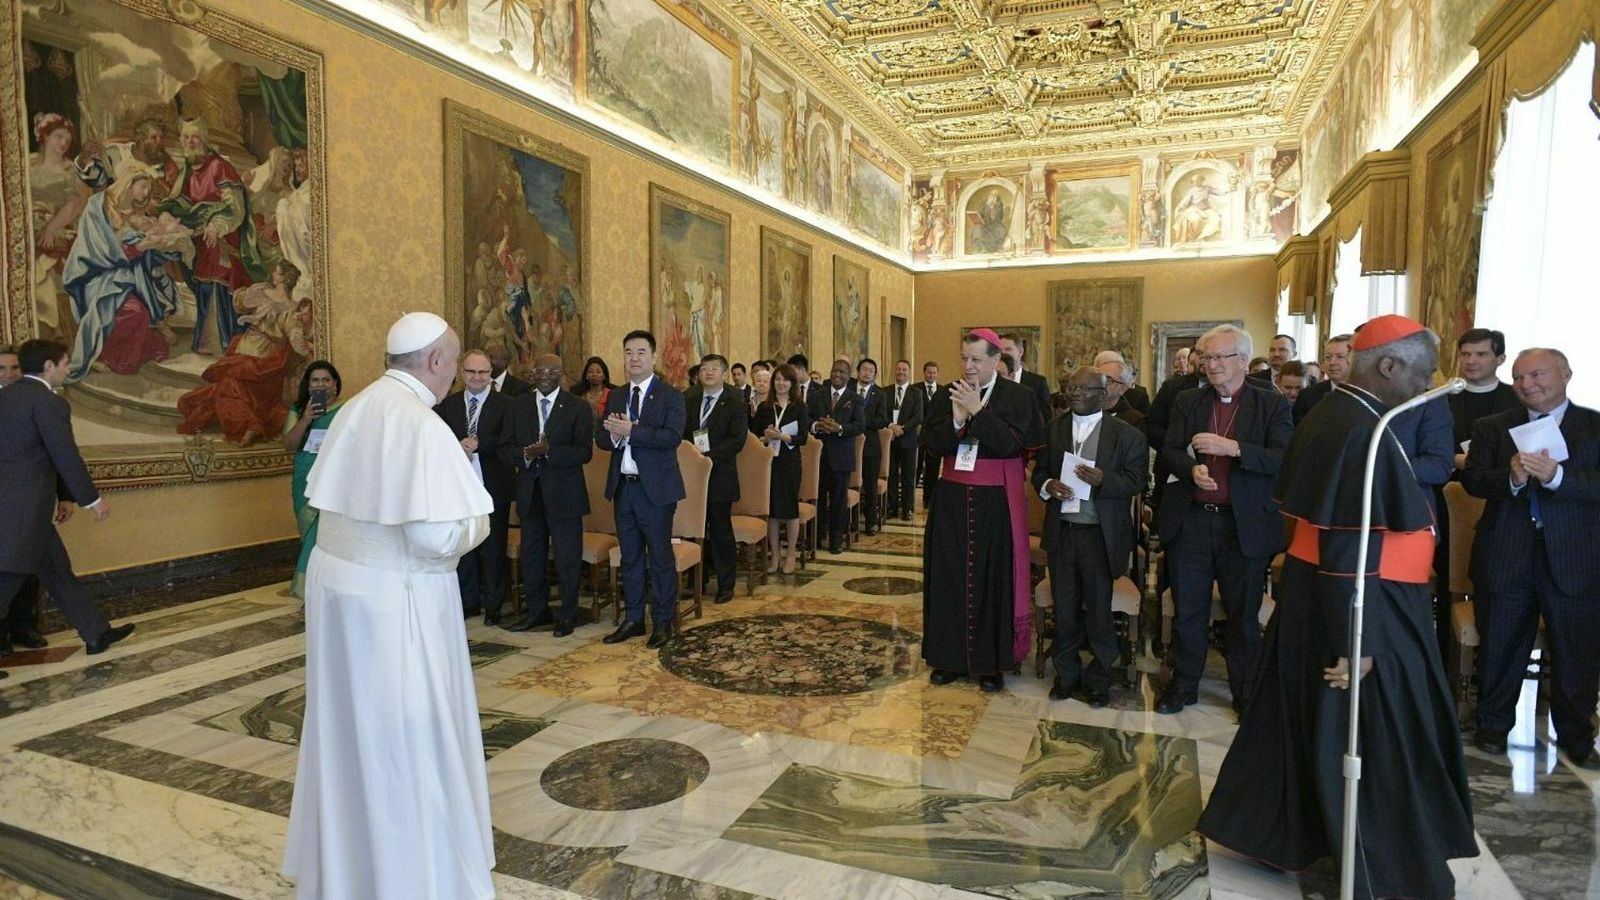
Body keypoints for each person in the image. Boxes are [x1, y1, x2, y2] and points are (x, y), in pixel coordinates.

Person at [1199, 315, 1477, 899]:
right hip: (1364, 603)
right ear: (1390, 365)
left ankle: (1288, 838)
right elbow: (1349, 544)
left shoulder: (1345, 413)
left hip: (1338, 595)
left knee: (1310, 722)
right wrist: (1361, 642)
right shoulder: (1358, 428)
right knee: (1372, 732)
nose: (1429, 384)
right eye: (1424, 373)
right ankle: (1380, 864)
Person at [283, 312, 495, 899]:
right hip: (393, 603)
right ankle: (412, 875)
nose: (455, 375)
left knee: (349, 730)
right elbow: (434, 536)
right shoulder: (421, 424)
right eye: (454, 362)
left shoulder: (354, 409)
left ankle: (349, 870)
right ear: (436, 361)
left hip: (339, 590)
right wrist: (477, 521)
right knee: (404, 734)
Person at [1463, 348, 1600, 769]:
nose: (1527, 384)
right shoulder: (1492, 427)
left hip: (1575, 557)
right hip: (1508, 553)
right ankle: (1492, 728)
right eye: (1519, 377)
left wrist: (1557, 477)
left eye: (1537, 375)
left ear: (1566, 374)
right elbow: (1473, 480)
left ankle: (1576, 737)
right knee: (1501, 645)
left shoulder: (1594, 426)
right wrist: (1512, 478)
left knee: (1577, 652)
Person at [1156, 325, 1292, 715]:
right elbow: (1169, 450)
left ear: (1243, 361)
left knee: (1242, 615)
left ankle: (1244, 692)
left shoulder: (1272, 404)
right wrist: (1190, 470)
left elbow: (1284, 459)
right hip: (1193, 521)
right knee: (1189, 610)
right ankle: (1183, 686)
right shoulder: (1188, 400)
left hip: (1242, 526)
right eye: (1206, 357)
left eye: (1219, 357)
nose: (1211, 365)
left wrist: (1234, 448)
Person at [0, 339, 136, 672]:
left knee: (57, 570)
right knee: (6, 580)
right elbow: (65, 455)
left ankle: (96, 633)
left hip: (20, 508)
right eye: (65, 363)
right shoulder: (48, 402)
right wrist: (92, 500)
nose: (68, 369)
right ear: (48, 366)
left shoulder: (6, 397)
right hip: (23, 509)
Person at [921, 329, 1045, 692]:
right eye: (964, 358)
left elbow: (1012, 445)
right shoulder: (948, 393)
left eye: (976, 359)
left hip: (996, 503)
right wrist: (957, 421)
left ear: (995, 360)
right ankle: (948, 658)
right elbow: (930, 445)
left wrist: (978, 412)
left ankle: (991, 663)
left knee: (994, 579)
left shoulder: (1018, 396)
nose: (969, 366)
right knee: (949, 577)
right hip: (951, 501)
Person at [1034, 368, 1148, 706]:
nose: (1075, 393)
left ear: (1103, 393)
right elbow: (1040, 471)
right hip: (1063, 533)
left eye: (1084, 388)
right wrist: (1048, 485)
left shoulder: (1126, 434)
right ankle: (1066, 676)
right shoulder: (1054, 428)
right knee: (1065, 609)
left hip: (1100, 537)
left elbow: (1137, 480)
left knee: (1099, 612)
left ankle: (1099, 679)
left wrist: (1103, 480)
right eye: (1071, 387)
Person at [598, 330, 686, 648]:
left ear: (653, 357)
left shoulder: (670, 395)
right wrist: (614, 435)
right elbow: (601, 436)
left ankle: (663, 621)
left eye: (640, 352)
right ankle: (634, 619)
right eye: (628, 353)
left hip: (656, 491)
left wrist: (632, 431)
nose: (634, 359)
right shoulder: (617, 395)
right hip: (624, 488)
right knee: (631, 557)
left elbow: (671, 437)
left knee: (659, 558)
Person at [501, 354, 593, 636]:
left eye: (551, 371)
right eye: (539, 371)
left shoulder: (578, 407)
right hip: (530, 492)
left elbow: (584, 452)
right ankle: (536, 611)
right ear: (532, 374)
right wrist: (525, 455)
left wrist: (550, 451)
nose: (544, 376)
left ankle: (567, 614)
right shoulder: (518, 406)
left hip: (565, 493)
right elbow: (505, 447)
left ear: (561, 374)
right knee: (532, 556)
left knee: (567, 557)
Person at [159, 118, 265, 355]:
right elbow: (179, 203)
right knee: (198, 272)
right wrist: (167, 215)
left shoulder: (220, 167)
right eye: (186, 137)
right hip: (199, 238)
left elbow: (236, 208)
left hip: (225, 237)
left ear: (204, 139)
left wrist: (216, 226)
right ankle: (207, 341)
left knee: (217, 271)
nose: (190, 142)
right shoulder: (188, 170)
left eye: (195, 137)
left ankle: (226, 341)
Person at [176, 260, 309, 445]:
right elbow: (239, 305)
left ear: (283, 278)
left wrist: (304, 345)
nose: (273, 275)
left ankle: (250, 425)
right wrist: (249, 296)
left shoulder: (291, 309)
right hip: (247, 351)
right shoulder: (264, 292)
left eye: (276, 272)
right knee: (230, 388)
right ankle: (250, 424)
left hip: (263, 363)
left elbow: (295, 339)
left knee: (227, 387)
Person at [436, 350, 516, 624]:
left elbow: (509, 441)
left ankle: (494, 606)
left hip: (494, 484)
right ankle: (469, 602)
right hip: (459, 487)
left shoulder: (506, 404)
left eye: (483, 372)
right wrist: (456, 445)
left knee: (493, 548)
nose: (477, 377)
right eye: (471, 372)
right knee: (464, 547)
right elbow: (439, 438)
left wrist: (481, 444)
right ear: (462, 373)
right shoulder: (448, 404)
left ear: (490, 374)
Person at [684, 353, 748, 604]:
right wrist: (691, 456)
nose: (708, 372)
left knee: (720, 531)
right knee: (692, 529)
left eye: (714, 368)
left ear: (724, 373)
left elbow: (737, 439)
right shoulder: (688, 398)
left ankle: (725, 584)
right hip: (692, 474)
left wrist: (708, 457)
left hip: (720, 474)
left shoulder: (734, 400)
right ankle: (696, 580)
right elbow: (681, 432)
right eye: (704, 368)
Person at [281, 361, 344, 599]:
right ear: (308, 385)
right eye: (315, 380)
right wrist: (306, 419)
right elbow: (288, 444)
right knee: (309, 532)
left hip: (334, 478)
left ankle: (310, 591)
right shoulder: (298, 411)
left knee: (323, 534)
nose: (320, 385)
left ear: (335, 384)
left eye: (326, 380)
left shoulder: (346, 410)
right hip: (305, 477)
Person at [0, 345, 45, 655]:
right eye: (2, 369)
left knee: (28, 567)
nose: (9, 375)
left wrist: (65, 496)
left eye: (14, 368)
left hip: (28, 501)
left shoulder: (35, 403)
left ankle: (23, 627)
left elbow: (51, 453)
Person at [752, 364, 809, 574]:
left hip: (789, 463)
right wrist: (765, 438)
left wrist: (782, 436)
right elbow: (753, 436)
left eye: (785, 380)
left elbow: (803, 437)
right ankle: (775, 555)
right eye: (777, 379)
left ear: (792, 383)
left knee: (790, 510)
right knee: (773, 512)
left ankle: (791, 554)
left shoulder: (798, 407)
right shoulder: (765, 408)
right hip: (769, 463)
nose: (781, 383)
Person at [808, 358, 867, 554]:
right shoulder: (817, 395)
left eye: (842, 372)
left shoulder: (855, 398)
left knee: (838, 501)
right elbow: (805, 418)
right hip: (818, 457)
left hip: (841, 458)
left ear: (848, 376)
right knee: (817, 497)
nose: (837, 375)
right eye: (835, 370)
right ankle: (816, 537)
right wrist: (816, 425)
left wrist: (839, 428)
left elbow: (860, 425)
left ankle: (836, 539)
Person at [885, 359, 925, 522]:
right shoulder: (885, 391)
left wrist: (902, 429)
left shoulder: (916, 393)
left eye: (904, 369)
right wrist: (891, 426)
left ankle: (908, 508)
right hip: (889, 440)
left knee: (908, 476)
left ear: (909, 372)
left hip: (908, 440)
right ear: (895, 371)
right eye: (898, 369)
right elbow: (882, 414)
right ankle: (892, 507)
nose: (901, 372)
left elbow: (918, 416)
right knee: (891, 475)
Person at [854, 358, 888, 534]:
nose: (867, 373)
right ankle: (850, 521)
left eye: (871, 371)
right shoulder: (849, 391)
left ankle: (871, 523)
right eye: (864, 369)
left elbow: (881, 420)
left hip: (871, 447)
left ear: (875, 375)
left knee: (870, 485)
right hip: (849, 445)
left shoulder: (880, 394)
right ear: (858, 372)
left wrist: (860, 420)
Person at [1293, 334, 1352, 424]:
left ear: (1354, 359)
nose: (1332, 362)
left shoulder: (1368, 393)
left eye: (1340, 356)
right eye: (1328, 357)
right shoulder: (1307, 395)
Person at [1000, 332, 1052, 422]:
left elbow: (1045, 416)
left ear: (1020, 352)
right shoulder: (992, 380)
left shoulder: (1038, 382)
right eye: (1000, 350)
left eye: (1008, 349)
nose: (1003, 353)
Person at [1097, 356, 1145, 433]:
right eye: (1097, 378)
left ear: (1122, 389)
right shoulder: (1084, 411)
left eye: (1108, 380)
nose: (1100, 383)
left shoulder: (1134, 421)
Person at [919, 360, 943, 506]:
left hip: (936, 436)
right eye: (929, 372)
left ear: (937, 374)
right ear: (924, 373)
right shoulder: (915, 389)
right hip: (919, 435)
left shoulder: (943, 391)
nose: (931, 375)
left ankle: (929, 499)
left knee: (933, 468)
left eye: (934, 373)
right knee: (916, 467)